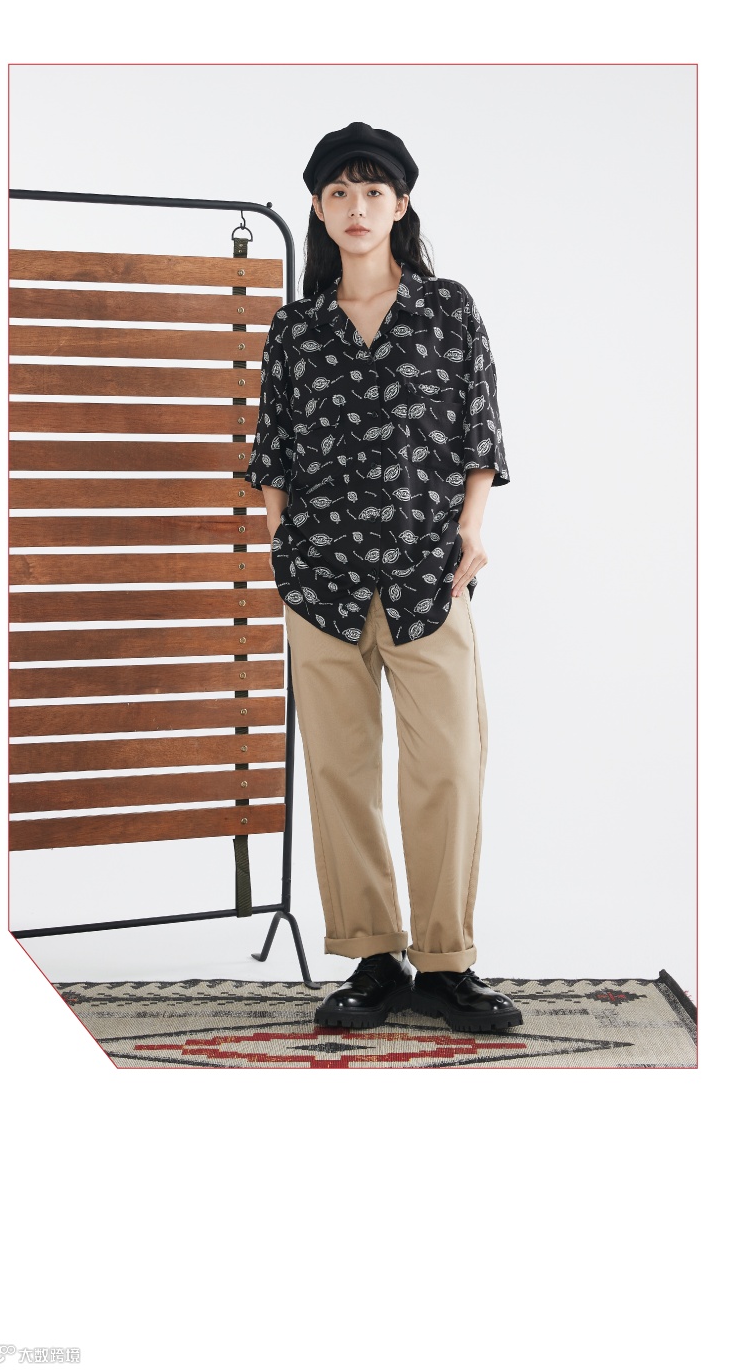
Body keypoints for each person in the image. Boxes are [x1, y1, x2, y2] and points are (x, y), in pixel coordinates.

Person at [245, 121, 522, 1035]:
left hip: (426, 576)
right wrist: (283, 544)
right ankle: (373, 957)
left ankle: (446, 963)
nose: (356, 208)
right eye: (339, 193)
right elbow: (273, 451)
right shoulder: (295, 329)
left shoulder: (446, 310)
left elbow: (480, 434)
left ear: (401, 205)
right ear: (319, 209)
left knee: (449, 764)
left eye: (373, 192)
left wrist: (471, 529)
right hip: (320, 580)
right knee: (340, 770)